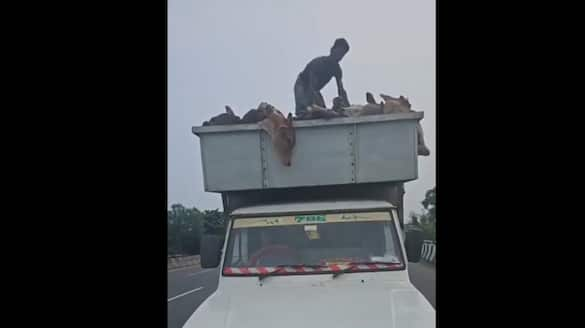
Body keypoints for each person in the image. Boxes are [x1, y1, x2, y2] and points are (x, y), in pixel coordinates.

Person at [294, 38, 350, 115]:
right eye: (339, 53)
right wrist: (318, 107)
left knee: (323, 111)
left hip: (315, 90)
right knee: (304, 110)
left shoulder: (337, 70)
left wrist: (348, 108)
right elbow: (311, 88)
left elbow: (341, 90)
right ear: (332, 50)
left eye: (342, 55)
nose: (339, 57)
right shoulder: (318, 64)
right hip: (303, 85)